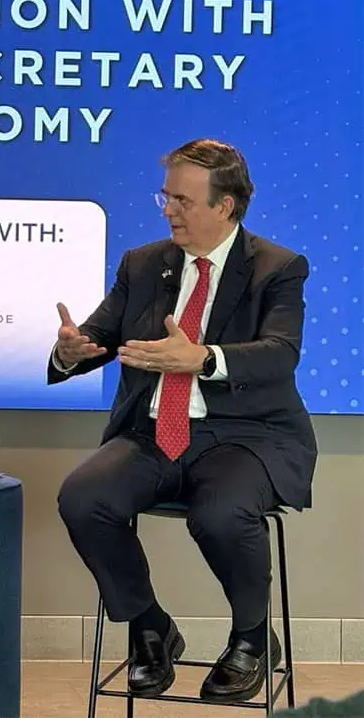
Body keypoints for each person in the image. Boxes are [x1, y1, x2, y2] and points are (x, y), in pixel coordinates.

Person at [50, 139, 317, 704]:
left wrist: (204, 358)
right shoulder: (143, 263)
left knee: (220, 515)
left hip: (246, 437)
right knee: (83, 496)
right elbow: (100, 337)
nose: (167, 209)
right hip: (153, 434)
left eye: (182, 200)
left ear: (225, 206)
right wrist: (73, 352)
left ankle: (250, 639)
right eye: (165, 197)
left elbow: (279, 353)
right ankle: (150, 627)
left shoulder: (278, 268)